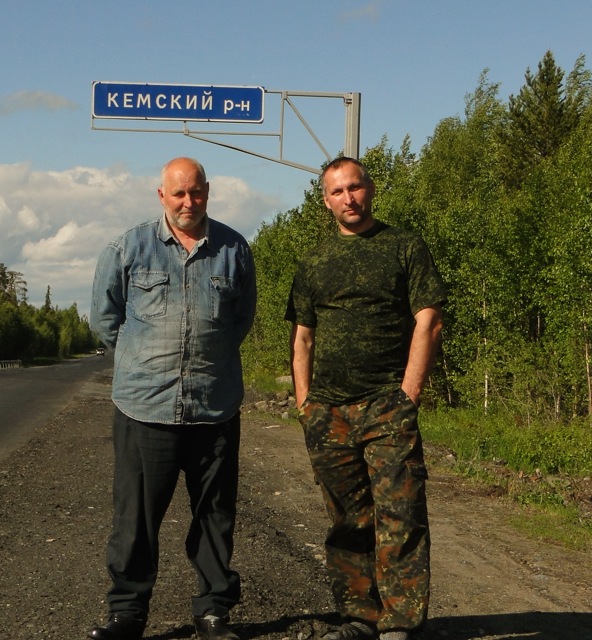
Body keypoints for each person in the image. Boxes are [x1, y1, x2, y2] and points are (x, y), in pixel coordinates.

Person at [88, 157, 257, 640]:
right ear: (161, 195)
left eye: (196, 193)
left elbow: (240, 319)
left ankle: (213, 611)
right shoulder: (128, 248)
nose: (188, 202)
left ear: (209, 191)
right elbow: (105, 320)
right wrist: (143, 362)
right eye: (178, 194)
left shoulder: (233, 249)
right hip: (145, 407)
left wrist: (207, 359)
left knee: (214, 517)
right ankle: (126, 614)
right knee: (135, 519)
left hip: (214, 406)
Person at [284, 157, 446, 640]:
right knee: (347, 520)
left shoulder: (403, 247)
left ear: (370, 190)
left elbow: (429, 319)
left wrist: (408, 394)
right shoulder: (313, 261)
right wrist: (305, 403)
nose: (348, 198)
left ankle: (400, 622)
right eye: (337, 191)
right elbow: (303, 337)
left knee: (400, 514)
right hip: (328, 412)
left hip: (386, 405)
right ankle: (359, 617)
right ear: (325, 200)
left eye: (354, 187)